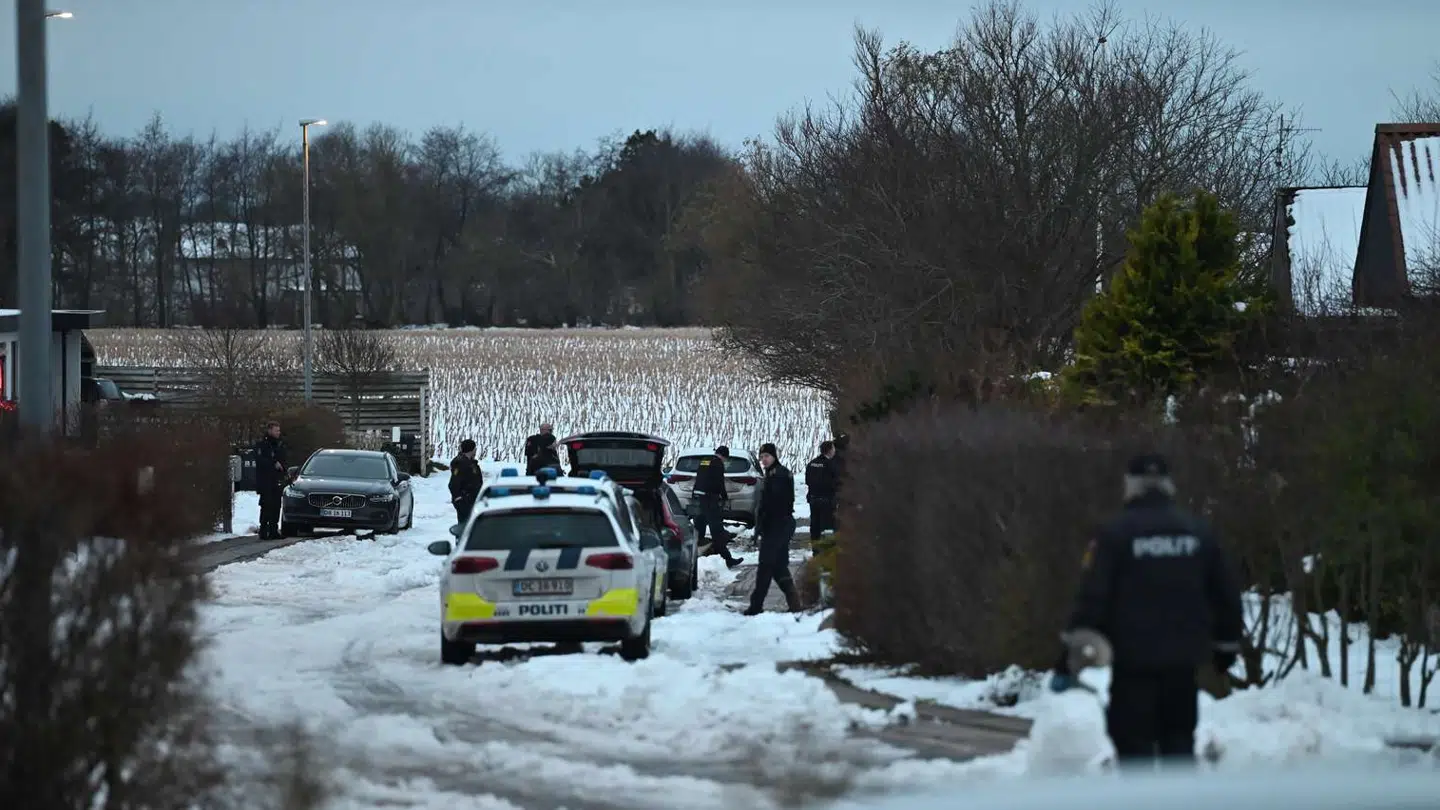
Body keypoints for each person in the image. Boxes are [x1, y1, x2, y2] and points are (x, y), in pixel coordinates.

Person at [1048, 453, 1244, 769]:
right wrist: (1226, 647)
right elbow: (1225, 594)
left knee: (1133, 747)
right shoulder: (1198, 533)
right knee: (1178, 743)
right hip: (1182, 664)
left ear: (1130, 486)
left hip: (1133, 666)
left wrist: (1067, 659)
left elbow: (1092, 599)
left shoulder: (1114, 535)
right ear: (1169, 485)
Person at [744, 443, 802, 615]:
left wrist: (764, 522)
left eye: (766, 457)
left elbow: (773, 503)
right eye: (761, 457)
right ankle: (794, 603)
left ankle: (756, 606)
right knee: (778, 566)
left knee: (766, 565)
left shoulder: (779, 475)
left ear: (774, 456)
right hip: (774, 525)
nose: (763, 461)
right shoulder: (771, 474)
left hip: (779, 524)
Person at [692, 446, 742, 569]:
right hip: (709, 499)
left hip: (698, 498)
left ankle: (694, 559)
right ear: (724, 456)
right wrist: (724, 497)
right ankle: (728, 559)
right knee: (717, 529)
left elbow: (699, 477)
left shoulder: (705, 460)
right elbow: (720, 482)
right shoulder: (718, 463)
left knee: (699, 529)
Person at [253, 421, 288, 540]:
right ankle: (263, 530)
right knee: (266, 505)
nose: (278, 432)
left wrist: (284, 471)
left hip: (277, 480)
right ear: (270, 431)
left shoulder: (280, 444)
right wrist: (273, 463)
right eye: (276, 430)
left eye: (279, 430)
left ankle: (274, 530)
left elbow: (283, 459)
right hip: (266, 480)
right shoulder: (262, 445)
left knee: (276, 506)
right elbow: (260, 460)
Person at [804, 440, 839, 542]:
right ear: (830, 450)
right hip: (827, 500)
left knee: (815, 526)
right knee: (827, 527)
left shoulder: (811, 463)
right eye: (833, 449)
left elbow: (808, 481)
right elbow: (835, 482)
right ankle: (826, 551)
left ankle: (815, 550)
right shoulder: (830, 464)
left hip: (813, 499)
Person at [449, 439, 482, 525]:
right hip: (465, 500)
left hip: (472, 499)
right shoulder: (460, 464)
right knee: (465, 525)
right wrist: (458, 498)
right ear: (471, 450)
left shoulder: (470, 463)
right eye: (475, 449)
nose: (476, 451)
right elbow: (453, 483)